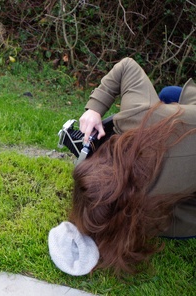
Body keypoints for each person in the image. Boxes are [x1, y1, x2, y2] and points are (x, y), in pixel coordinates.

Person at [48, 57, 196, 275]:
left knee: (169, 95)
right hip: (179, 126)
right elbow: (127, 65)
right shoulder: (138, 114)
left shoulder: (156, 217)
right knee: (169, 94)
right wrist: (94, 110)